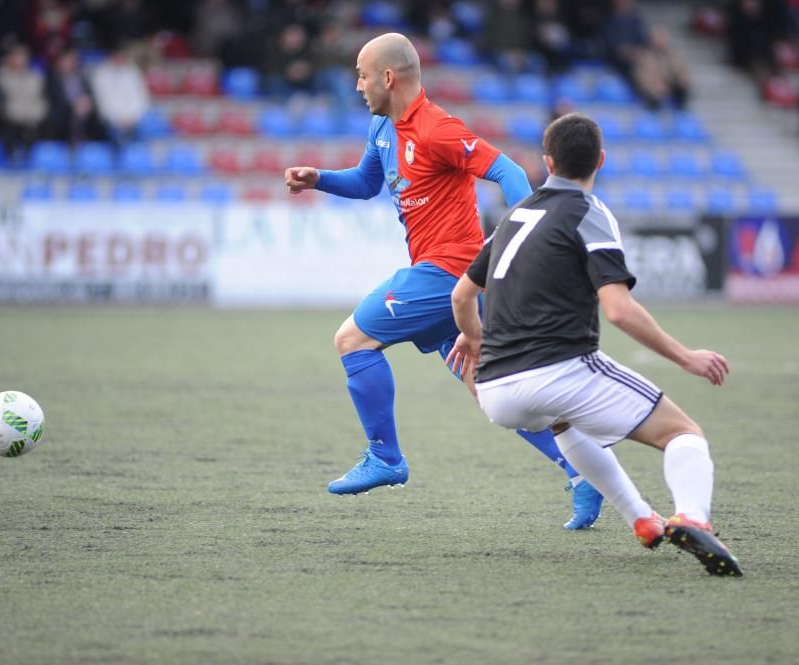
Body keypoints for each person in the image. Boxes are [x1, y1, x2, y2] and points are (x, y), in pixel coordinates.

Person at [284, 33, 663, 541]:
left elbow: (504, 168)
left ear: (388, 78)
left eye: (361, 74)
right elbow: (367, 183)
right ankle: (582, 472)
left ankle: (385, 456)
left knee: (352, 340)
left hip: (449, 271)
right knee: (494, 395)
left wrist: (530, 227)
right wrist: (318, 179)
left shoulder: (437, 129)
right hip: (443, 278)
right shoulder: (382, 126)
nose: (357, 85)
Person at [446, 113, 742, 576]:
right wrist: (686, 357)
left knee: (566, 424)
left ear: (547, 162)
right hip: (558, 370)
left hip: (496, 392)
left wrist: (474, 337)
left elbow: (461, 295)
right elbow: (619, 310)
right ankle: (692, 517)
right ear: (600, 160)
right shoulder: (590, 212)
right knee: (683, 434)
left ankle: (642, 519)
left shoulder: (512, 216)